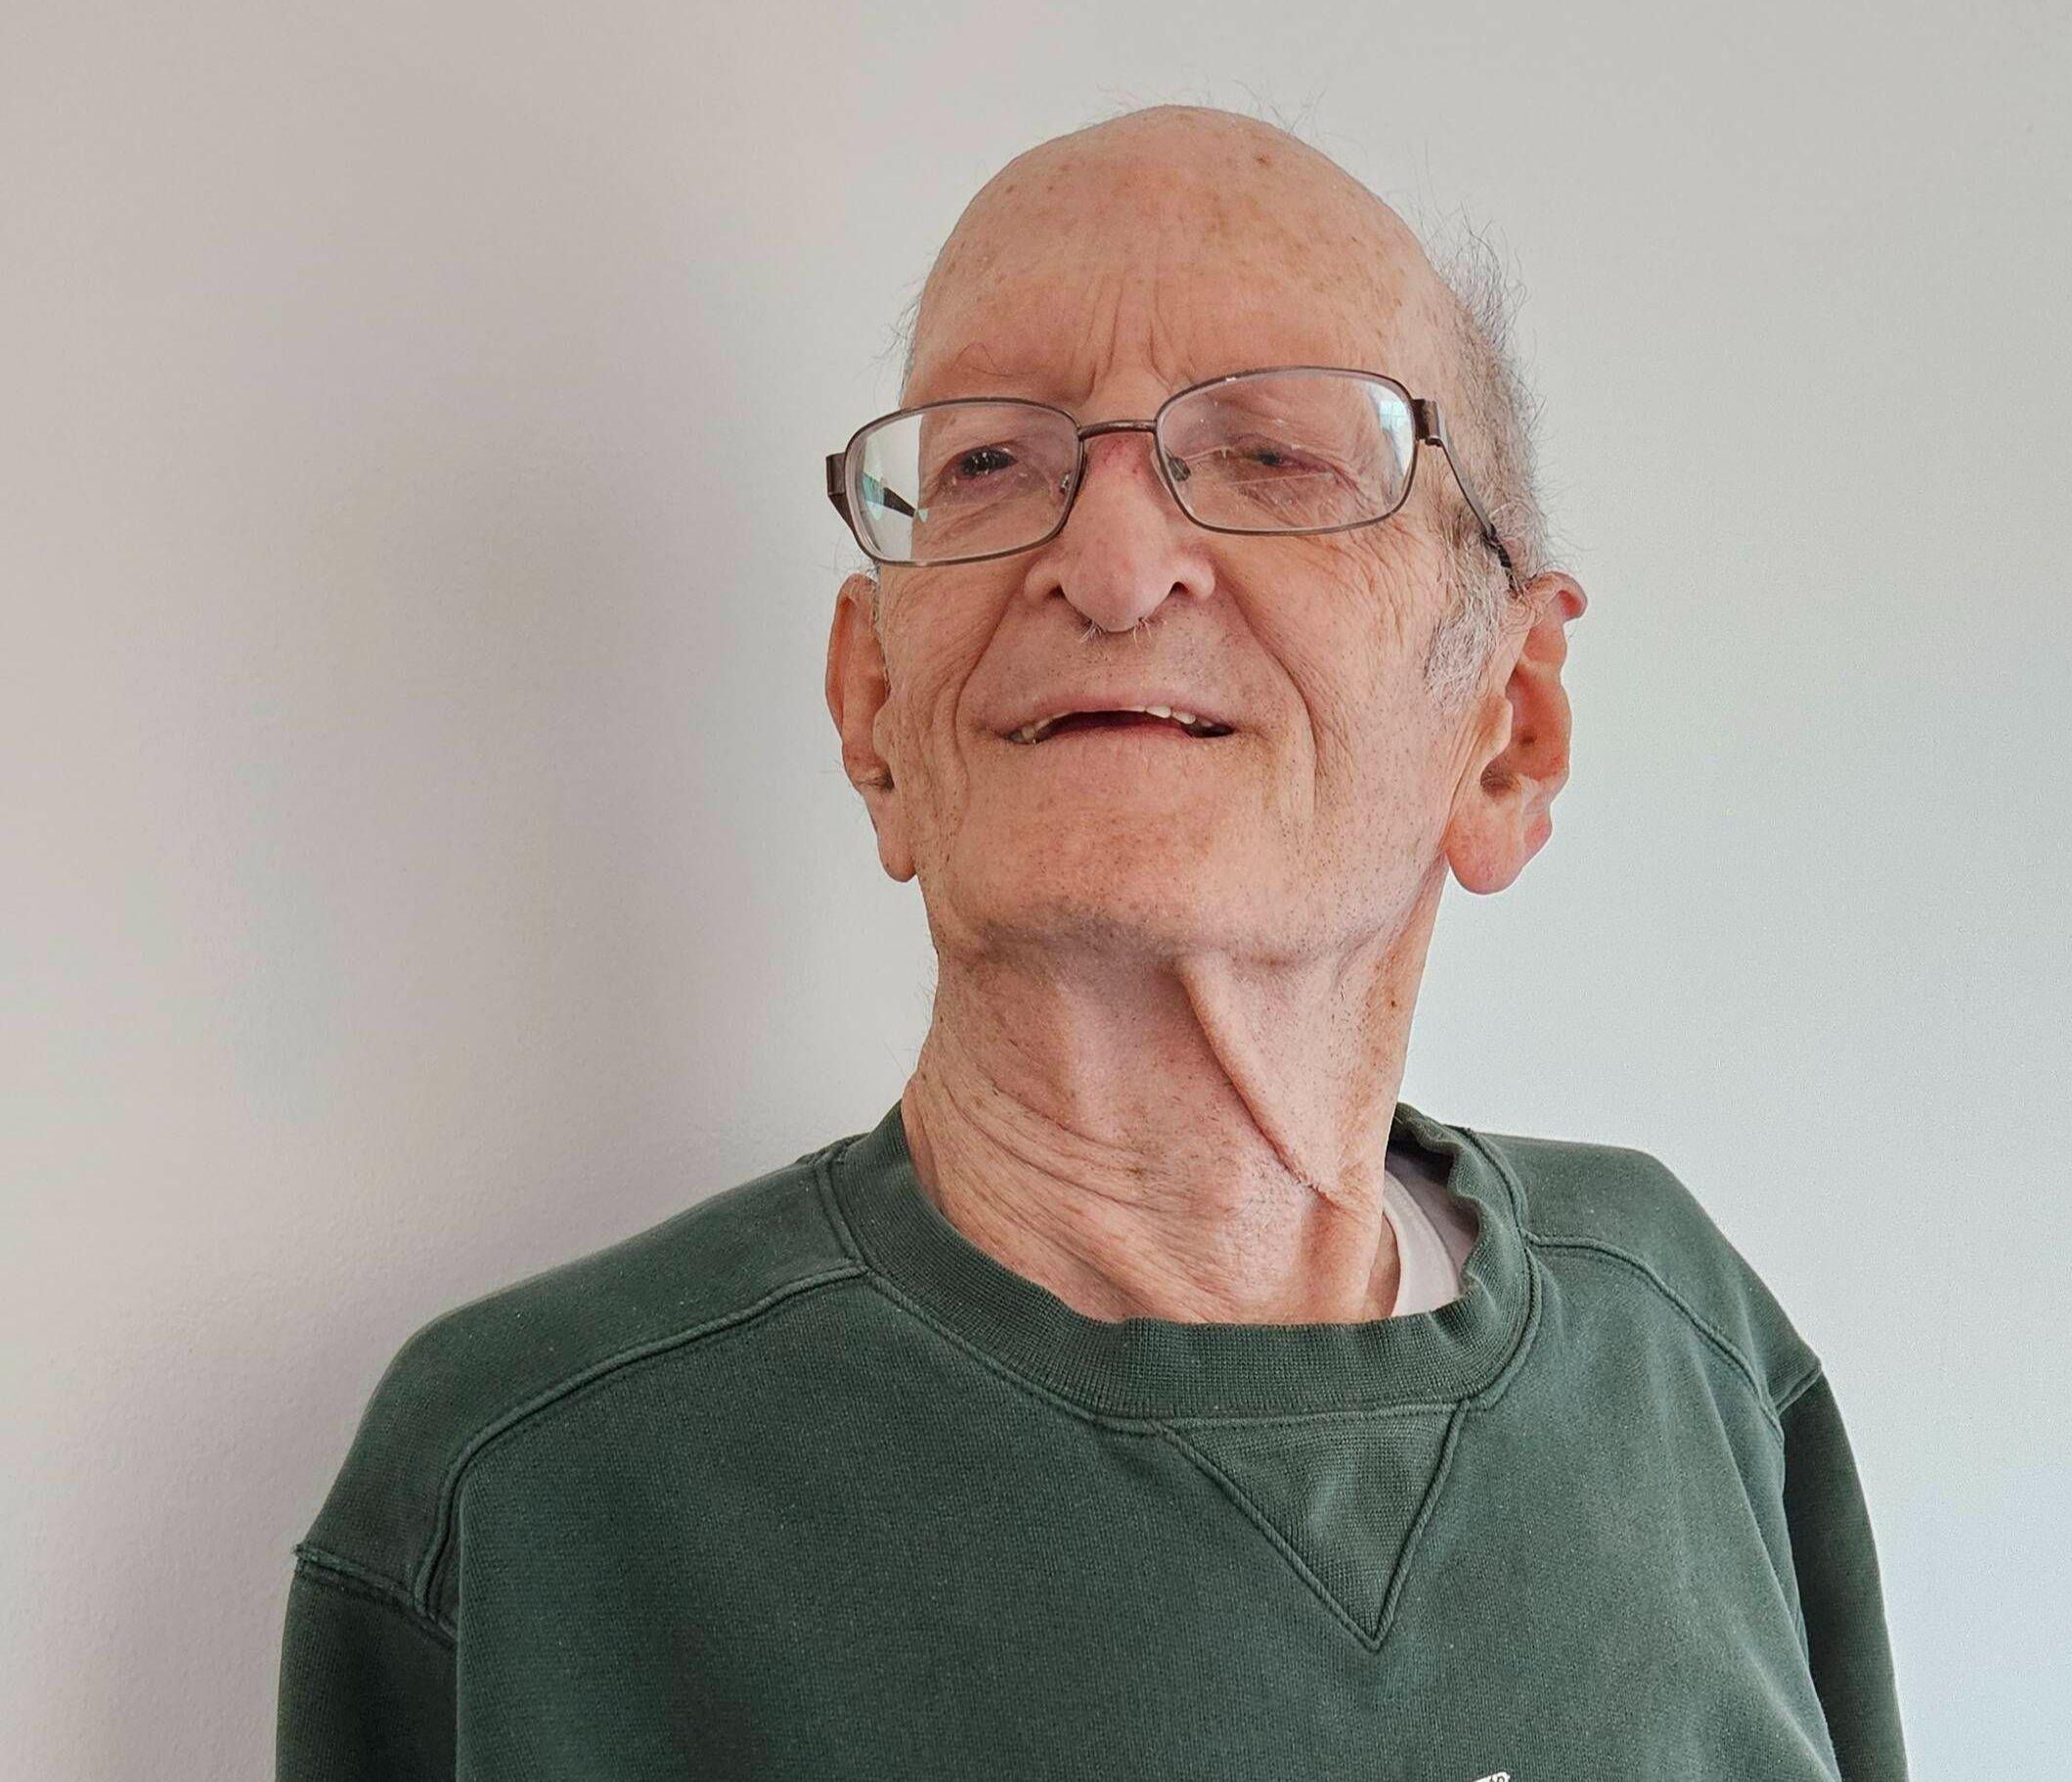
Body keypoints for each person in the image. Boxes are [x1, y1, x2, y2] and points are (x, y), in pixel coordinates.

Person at [277, 104, 1909, 1780]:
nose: (1114, 562)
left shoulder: (1689, 1347)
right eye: (989, 462)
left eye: (1277, 455)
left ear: (1510, 729)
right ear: (876, 710)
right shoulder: (534, 1499)